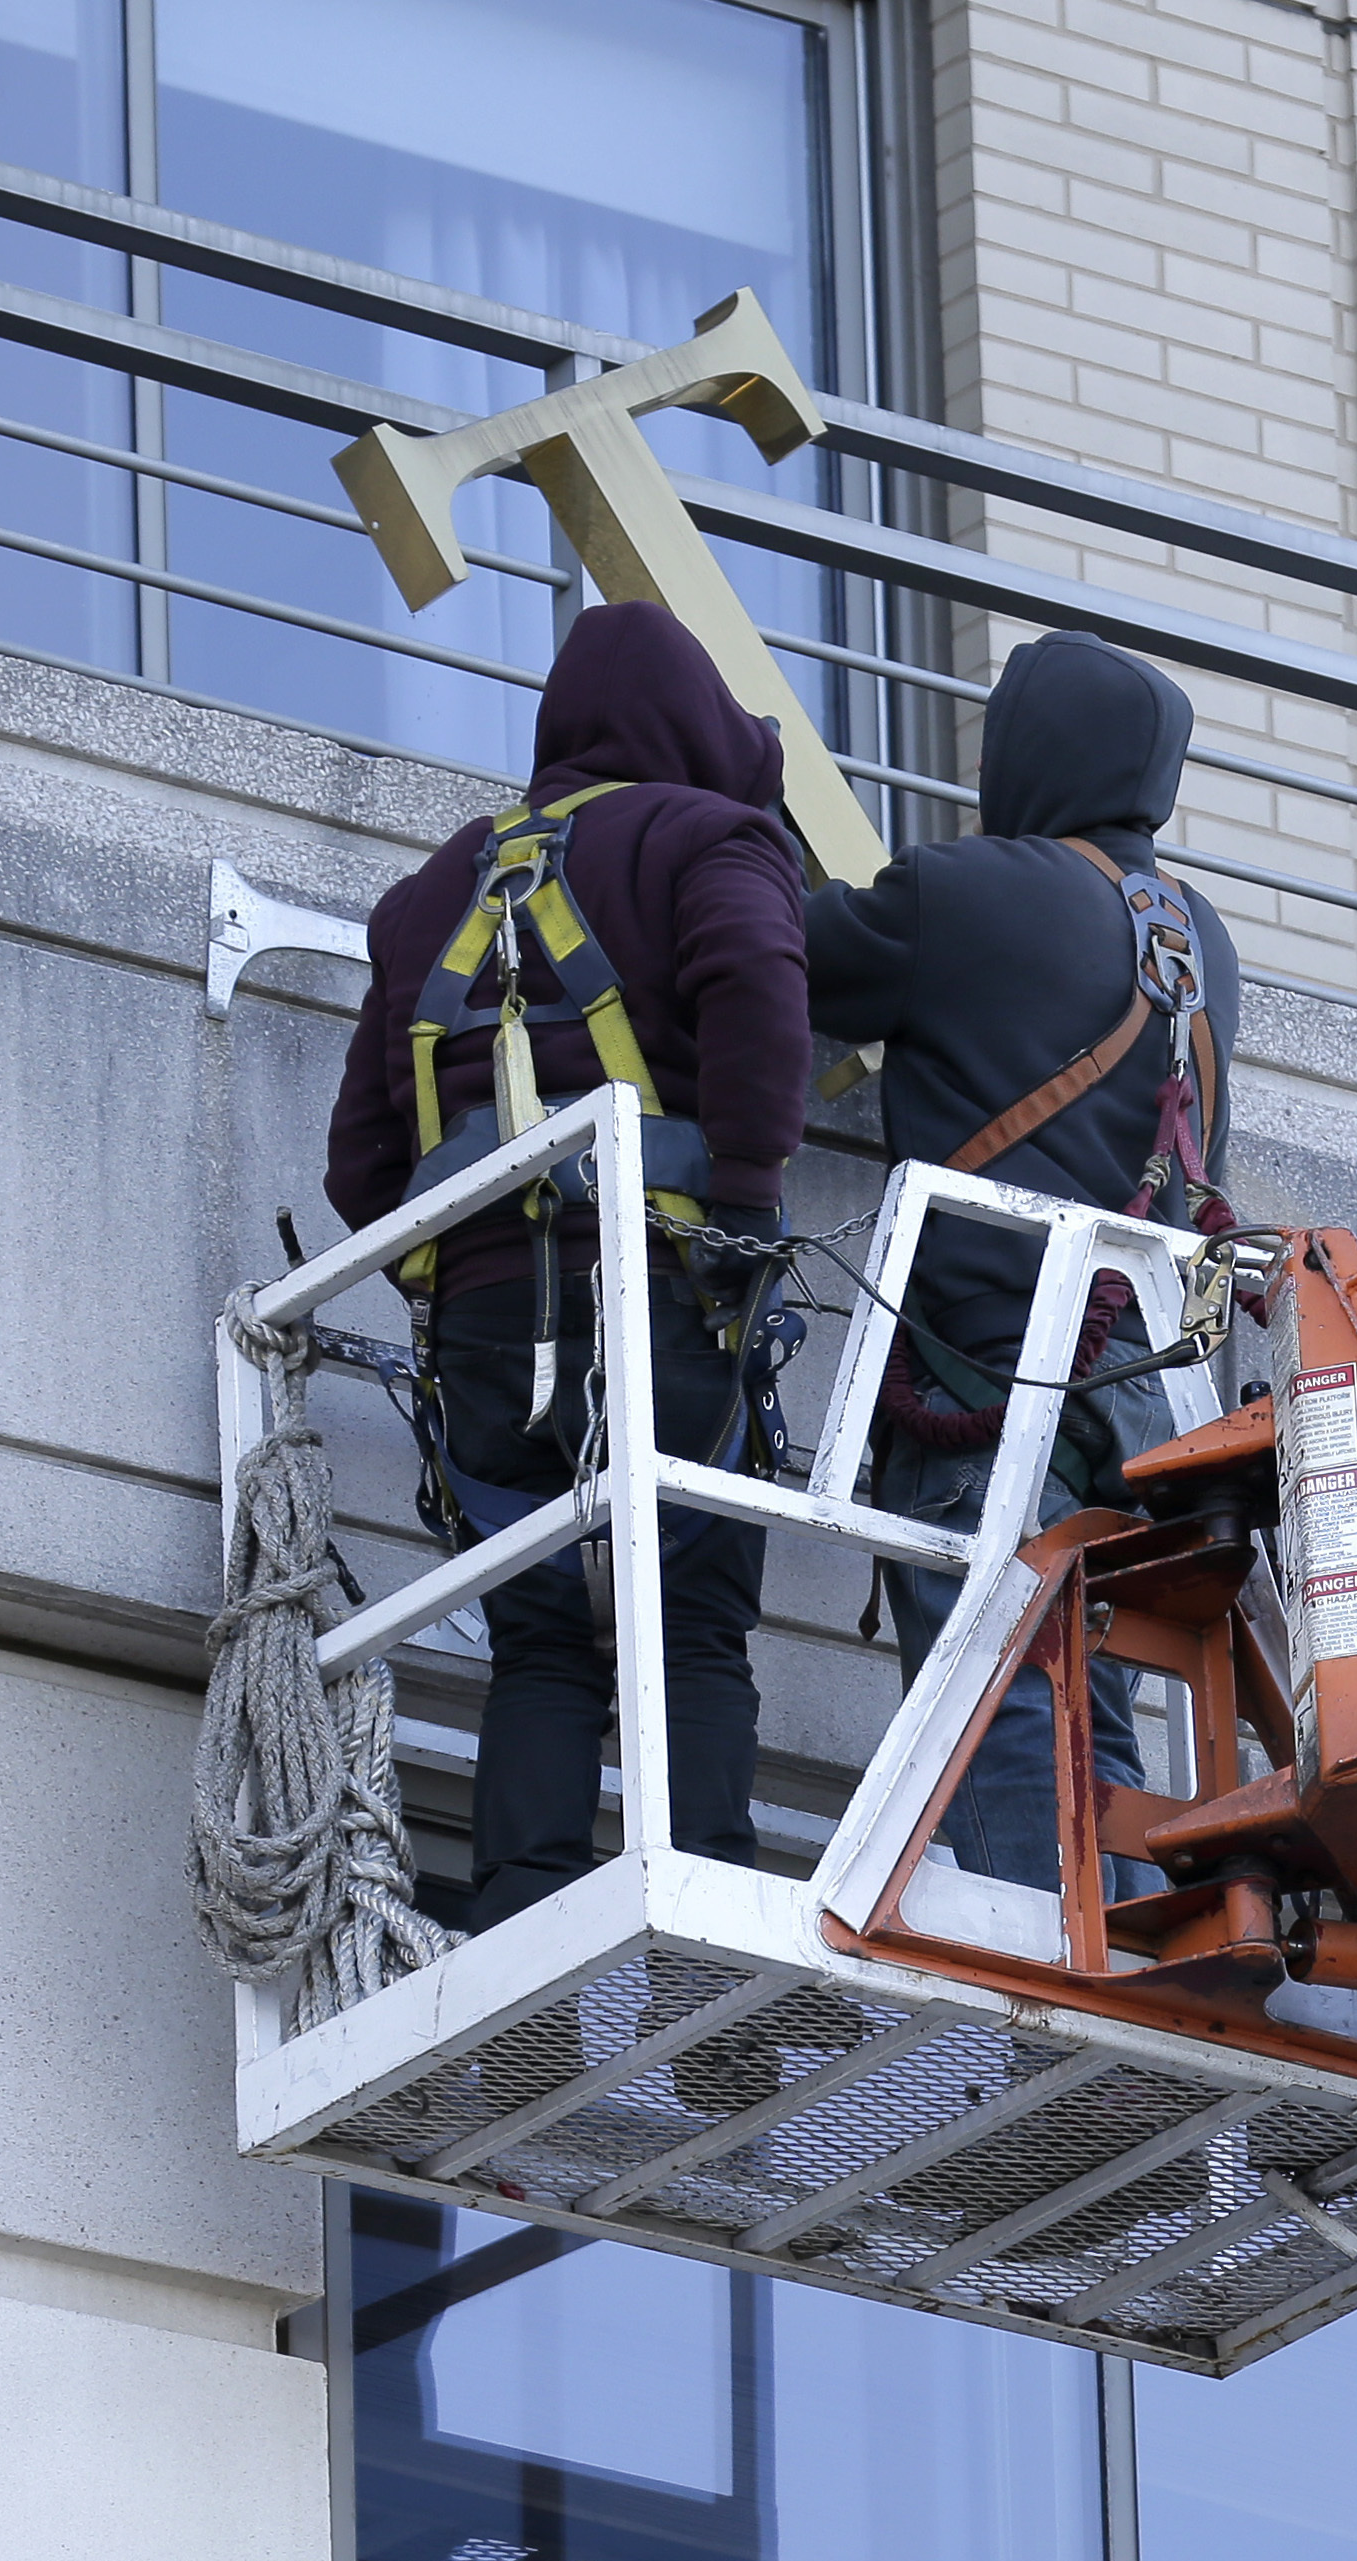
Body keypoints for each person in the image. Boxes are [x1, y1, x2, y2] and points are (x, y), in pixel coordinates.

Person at [326, 601, 811, 1927]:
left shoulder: (434, 893)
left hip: (481, 1338)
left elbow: (361, 1170)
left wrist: (453, 1279)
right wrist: (746, 1223)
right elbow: (762, 1013)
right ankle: (713, 1960)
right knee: (691, 1622)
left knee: (540, 1642)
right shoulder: (707, 838)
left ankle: (514, 1916)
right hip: (662, 1296)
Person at [806, 630, 1241, 1890]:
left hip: (1000, 1378)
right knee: (1094, 1709)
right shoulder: (1201, 945)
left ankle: (1044, 1995)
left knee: (993, 1695)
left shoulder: (975, 891)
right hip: (1152, 1389)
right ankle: (1122, 1946)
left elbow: (792, 947)